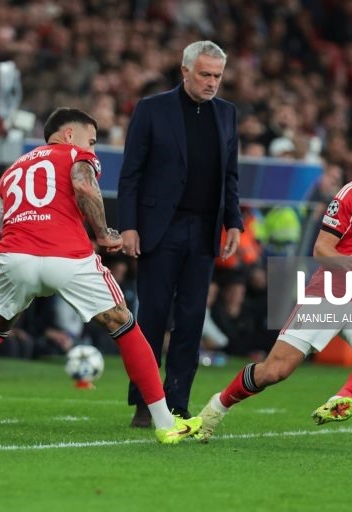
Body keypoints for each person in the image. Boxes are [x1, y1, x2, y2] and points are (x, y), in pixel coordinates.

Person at [0, 108, 202, 445]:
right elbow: (83, 184)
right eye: (92, 140)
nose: (93, 148)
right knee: (125, 325)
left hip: (15, 260)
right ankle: (164, 422)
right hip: (67, 257)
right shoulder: (76, 154)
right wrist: (102, 234)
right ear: (70, 135)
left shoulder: (10, 173)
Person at [194, 120, 352, 441]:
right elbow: (321, 248)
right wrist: (342, 260)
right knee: (274, 371)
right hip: (330, 296)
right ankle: (215, 409)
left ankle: (344, 399)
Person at [117, 40, 243, 427]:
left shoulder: (227, 114)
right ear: (184, 71)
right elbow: (131, 173)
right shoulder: (152, 109)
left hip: (204, 229)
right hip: (160, 228)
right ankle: (144, 403)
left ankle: (177, 404)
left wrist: (234, 221)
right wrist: (129, 226)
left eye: (217, 76)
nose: (211, 82)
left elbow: (230, 175)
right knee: (152, 316)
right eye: (204, 74)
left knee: (191, 320)